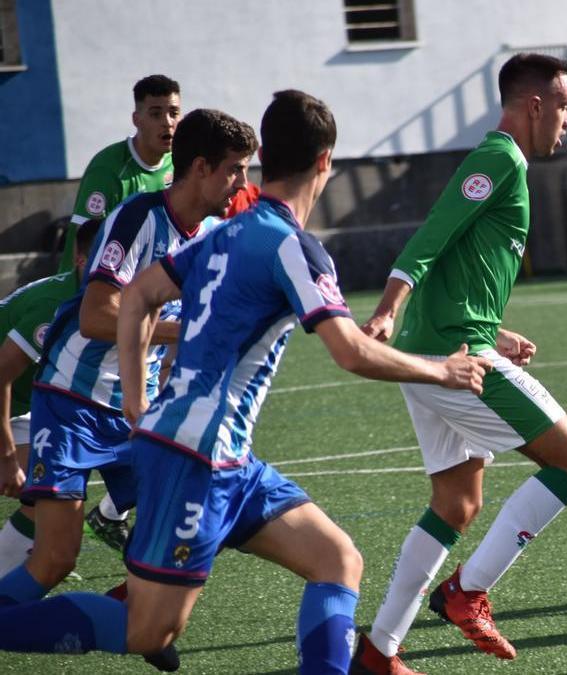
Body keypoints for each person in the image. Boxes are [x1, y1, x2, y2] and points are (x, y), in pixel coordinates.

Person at [0, 89, 490, 674]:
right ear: (326, 161)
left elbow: (139, 297)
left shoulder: (221, 233)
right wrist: (445, 369)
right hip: (194, 459)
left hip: (219, 455)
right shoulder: (293, 246)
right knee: (145, 627)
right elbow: (351, 354)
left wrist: (136, 404)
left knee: (338, 560)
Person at [351, 53, 567, 675]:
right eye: (565, 106)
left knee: (455, 503)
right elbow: (431, 235)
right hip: (451, 357)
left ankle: (380, 650)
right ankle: (467, 592)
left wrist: (496, 330)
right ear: (534, 105)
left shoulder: (505, 164)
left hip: (445, 344)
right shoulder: (499, 158)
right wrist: (386, 309)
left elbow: (460, 260)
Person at [0, 108, 256, 614]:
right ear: (201, 167)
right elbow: (97, 317)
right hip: (73, 403)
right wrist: (189, 331)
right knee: (53, 559)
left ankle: (136, 607)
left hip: (131, 412)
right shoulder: (139, 217)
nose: (242, 183)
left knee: (202, 503)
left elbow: (173, 335)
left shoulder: (204, 237)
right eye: (235, 169)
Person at [0, 219, 100, 576]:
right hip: (8, 400)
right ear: (80, 260)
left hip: (23, 406)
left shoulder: (104, 297)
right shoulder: (55, 306)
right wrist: (8, 455)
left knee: (44, 495)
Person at [62, 75, 181, 274]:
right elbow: (82, 242)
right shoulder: (108, 170)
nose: (167, 122)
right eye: (156, 114)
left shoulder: (178, 163)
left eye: (174, 113)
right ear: (137, 119)